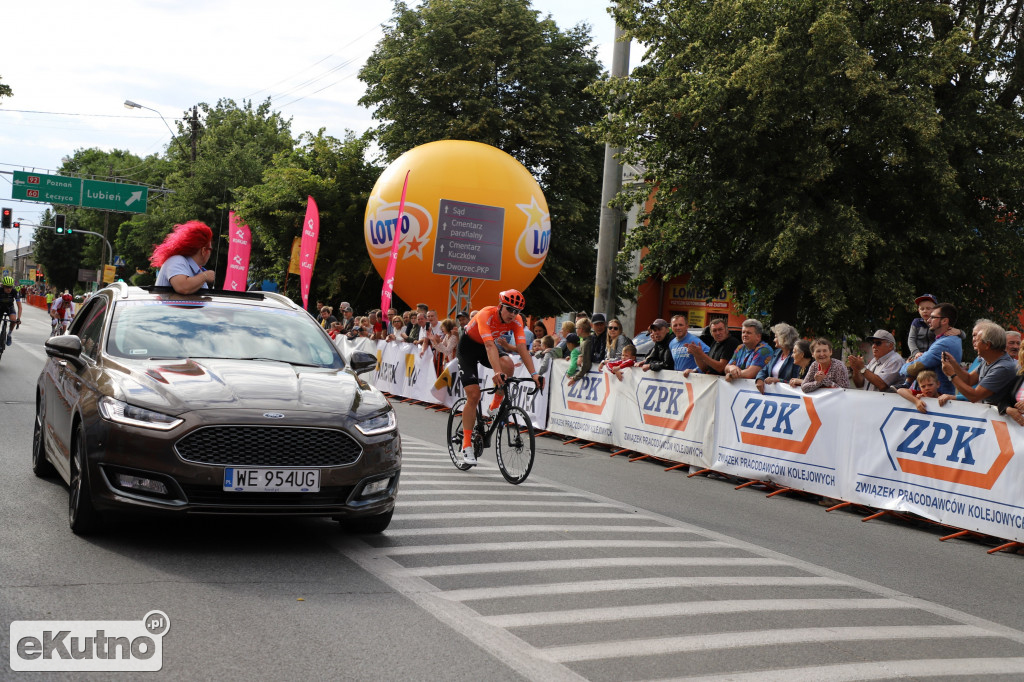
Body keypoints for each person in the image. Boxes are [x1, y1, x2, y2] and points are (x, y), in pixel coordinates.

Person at [456, 289, 540, 466]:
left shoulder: (516, 321)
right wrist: (496, 372)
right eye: (510, 309)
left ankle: (495, 404)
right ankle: (466, 445)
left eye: (517, 311)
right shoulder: (485, 314)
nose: (513, 314)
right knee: (473, 395)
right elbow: (488, 345)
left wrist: (534, 374)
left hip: (489, 347)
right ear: (500, 306)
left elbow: (522, 348)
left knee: (508, 364)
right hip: (469, 349)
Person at [940, 320, 1017, 405]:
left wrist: (952, 375)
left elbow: (974, 396)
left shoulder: (1003, 367)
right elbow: (969, 380)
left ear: (987, 345)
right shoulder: (989, 360)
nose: (974, 342)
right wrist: (954, 364)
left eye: (978, 340)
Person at [901, 302, 962, 395]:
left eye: (933, 317)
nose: (928, 320)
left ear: (944, 321)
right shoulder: (945, 340)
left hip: (938, 401)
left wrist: (903, 368)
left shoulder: (944, 344)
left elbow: (915, 367)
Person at [151, 220, 216, 294]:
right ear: (203, 251)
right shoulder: (176, 260)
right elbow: (183, 288)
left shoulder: (197, 272)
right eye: (210, 249)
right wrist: (205, 276)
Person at [754, 323, 800, 394]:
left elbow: (797, 381)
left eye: (776, 337)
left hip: (789, 396)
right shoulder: (777, 353)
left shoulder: (796, 356)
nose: (774, 340)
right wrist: (759, 379)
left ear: (783, 339)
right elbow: (764, 370)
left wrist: (778, 380)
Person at [566, 318, 594, 387]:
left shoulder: (586, 343)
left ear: (581, 329)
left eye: (576, 328)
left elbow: (586, 364)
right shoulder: (590, 339)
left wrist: (575, 378)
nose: (576, 330)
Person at [0, 276, 23, 346]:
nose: (9, 289)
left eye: (10, 287)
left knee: (13, 320)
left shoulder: (14, 292)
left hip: (9, 307)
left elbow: (19, 306)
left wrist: (18, 318)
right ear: (3, 286)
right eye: (7, 287)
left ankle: (9, 334)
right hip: (0, 307)